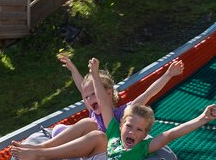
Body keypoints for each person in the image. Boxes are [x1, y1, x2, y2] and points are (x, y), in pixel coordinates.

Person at [10, 58, 216, 160]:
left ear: (145, 135)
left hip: (99, 155)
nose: (132, 132)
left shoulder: (137, 136)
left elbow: (170, 133)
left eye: (138, 130)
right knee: (89, 125)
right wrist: (84, 71)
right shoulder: (113, 130)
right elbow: (91, 93)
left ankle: (42, 154)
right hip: (90, 152)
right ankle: (42, 150)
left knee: (95, 132)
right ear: (121, 126)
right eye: (129, 127)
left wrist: (201, 118)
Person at [51, 55, 184, 136]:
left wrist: (168, 75)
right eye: (87, 97)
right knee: (58, 129)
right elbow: (82, 87)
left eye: (94, 94)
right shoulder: (93, 111)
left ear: (108, 93)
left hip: (101, 149)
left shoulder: (123, 112)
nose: (89, 99)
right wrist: (73, 68)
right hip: (86, 144)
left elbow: (147, 94)